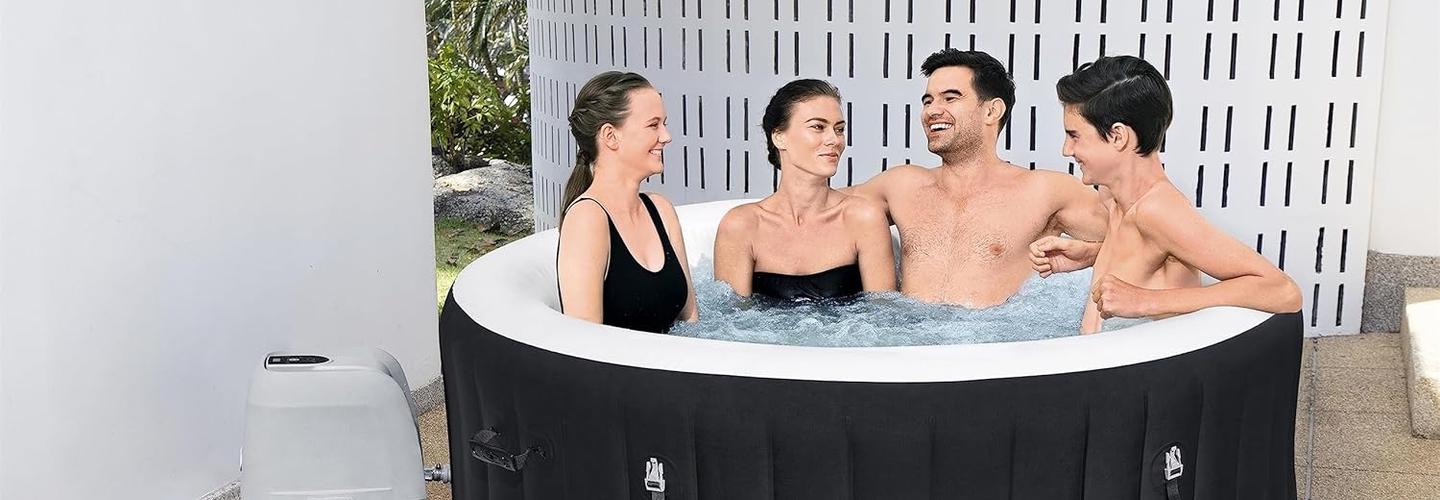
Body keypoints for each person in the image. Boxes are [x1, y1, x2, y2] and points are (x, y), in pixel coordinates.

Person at [1029, 55, 1302, 334]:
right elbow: (1150, 256)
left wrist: (1145, 301)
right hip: (1105, 355)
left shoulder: (1159, 210)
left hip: (1156, 362)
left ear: (1118, 136)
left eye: (1074, 136)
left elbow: (1283, 291)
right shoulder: (1112, 196)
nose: (1066, 150)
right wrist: (1090, 255)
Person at [846, 49, 1108, 307]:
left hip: (992, 332)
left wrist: (1091, 254)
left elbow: (1129, 233)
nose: (932, 111)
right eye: (928, 101)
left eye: (950, 98)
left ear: (992, 111)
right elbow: (826, 206)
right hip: (906, 330)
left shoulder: (1045, 191)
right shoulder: (901, 186)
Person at [713, 79, 896, 301]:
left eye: (839, 129)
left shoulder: (863, 218)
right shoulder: (741, 226)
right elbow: (732, 318)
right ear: (779, 137)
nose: (834, 140)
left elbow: (883, 313)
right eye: (818, 127)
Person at [556, 71, 698, 333]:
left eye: (664, 124)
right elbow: (583, 342)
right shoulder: (587, 219)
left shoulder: (661, 210)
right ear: (610, 136)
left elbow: (691, 321)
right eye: (653, 125)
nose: (666, 136)